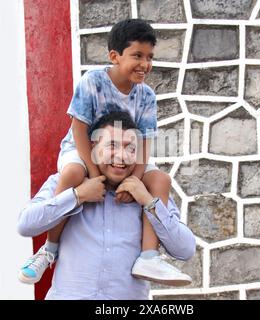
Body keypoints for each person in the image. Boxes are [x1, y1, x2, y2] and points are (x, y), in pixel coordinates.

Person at [18, 19, 190, 284]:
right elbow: (79, 129)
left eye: (149, 57)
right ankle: (50, 249)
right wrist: (95, 175)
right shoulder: (94, 81)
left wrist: (135, 180)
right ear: (114, 56)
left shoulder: (146, 96)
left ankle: (148, 257)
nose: (145, 64)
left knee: (160, 180)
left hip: (127, 155)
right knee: (74, 172)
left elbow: (144, 143)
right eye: (137, 56)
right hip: (83, 149)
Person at [17, 111, 196, 299]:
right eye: (112, 145)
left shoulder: (149, 191)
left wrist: (148, 202)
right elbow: (25, 224)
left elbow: (185, 250)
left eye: (131, 148)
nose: (122, 156)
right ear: (93, 147)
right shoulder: (67, 181)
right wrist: (77, 196)